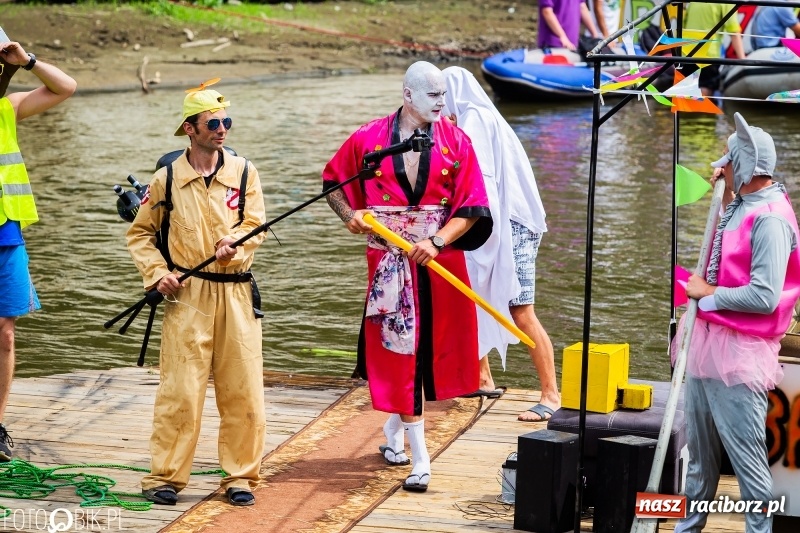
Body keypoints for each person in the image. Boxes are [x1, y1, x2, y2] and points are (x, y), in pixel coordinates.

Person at [322, 61, 492, 493]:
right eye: (432, 94)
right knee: (401, 355)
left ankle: (394, 435)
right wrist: (351, 217)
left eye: (443, 95)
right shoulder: (369, 139)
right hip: (388, 263)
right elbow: (333, 182)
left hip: (438, 259)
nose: (441, 102)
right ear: (408, 93)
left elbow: (472, 206)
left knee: (431, 353)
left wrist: (436, 240)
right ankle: (421, 460)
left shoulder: (457, 141)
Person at [126, 84, 267, 507]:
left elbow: (254, 223)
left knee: (243, 390)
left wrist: (236, 243)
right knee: (180, 389)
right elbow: (140, 234)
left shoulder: (244, 172)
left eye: (227, 122)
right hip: (187, 296)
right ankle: (165, 477)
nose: (223, 129)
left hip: (237, 295)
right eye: (214, 123)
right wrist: (157, 275)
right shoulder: (166, 179)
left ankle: (240, 477)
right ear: (190, 129)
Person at [674, 112, 800, 533]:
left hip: (739, 353)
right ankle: (686, 528)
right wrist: (726, 196)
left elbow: (764, 297)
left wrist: (707, 295)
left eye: (727, 157)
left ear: (744, 163)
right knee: (698, 461)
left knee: (748, 468)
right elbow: (727, 256)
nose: (719, 163)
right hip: (708, 342)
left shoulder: (771, 218)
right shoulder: (743, 203)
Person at [441, 67, 560, 423]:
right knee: (473, 293)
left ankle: (551, 394)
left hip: (512, 224)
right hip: (491, 218)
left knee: (520, 309)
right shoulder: (473, 116)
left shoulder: (476, 119)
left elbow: (481, 180)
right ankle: (482, 376)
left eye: (439, 96)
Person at [0, 31, 76, 461]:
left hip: (6, 233)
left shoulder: (6, 108)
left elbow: (65, 87)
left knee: (5, 335)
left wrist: (26, 60)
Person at [682, 2, 746, 96]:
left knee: (687, 92)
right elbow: (733, 32)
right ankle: (701, 109)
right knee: (705, 88)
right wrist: (743, 61)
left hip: (687, 54)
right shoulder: (727, 3)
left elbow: (684, 26)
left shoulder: (693, 3)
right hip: (708, 54)